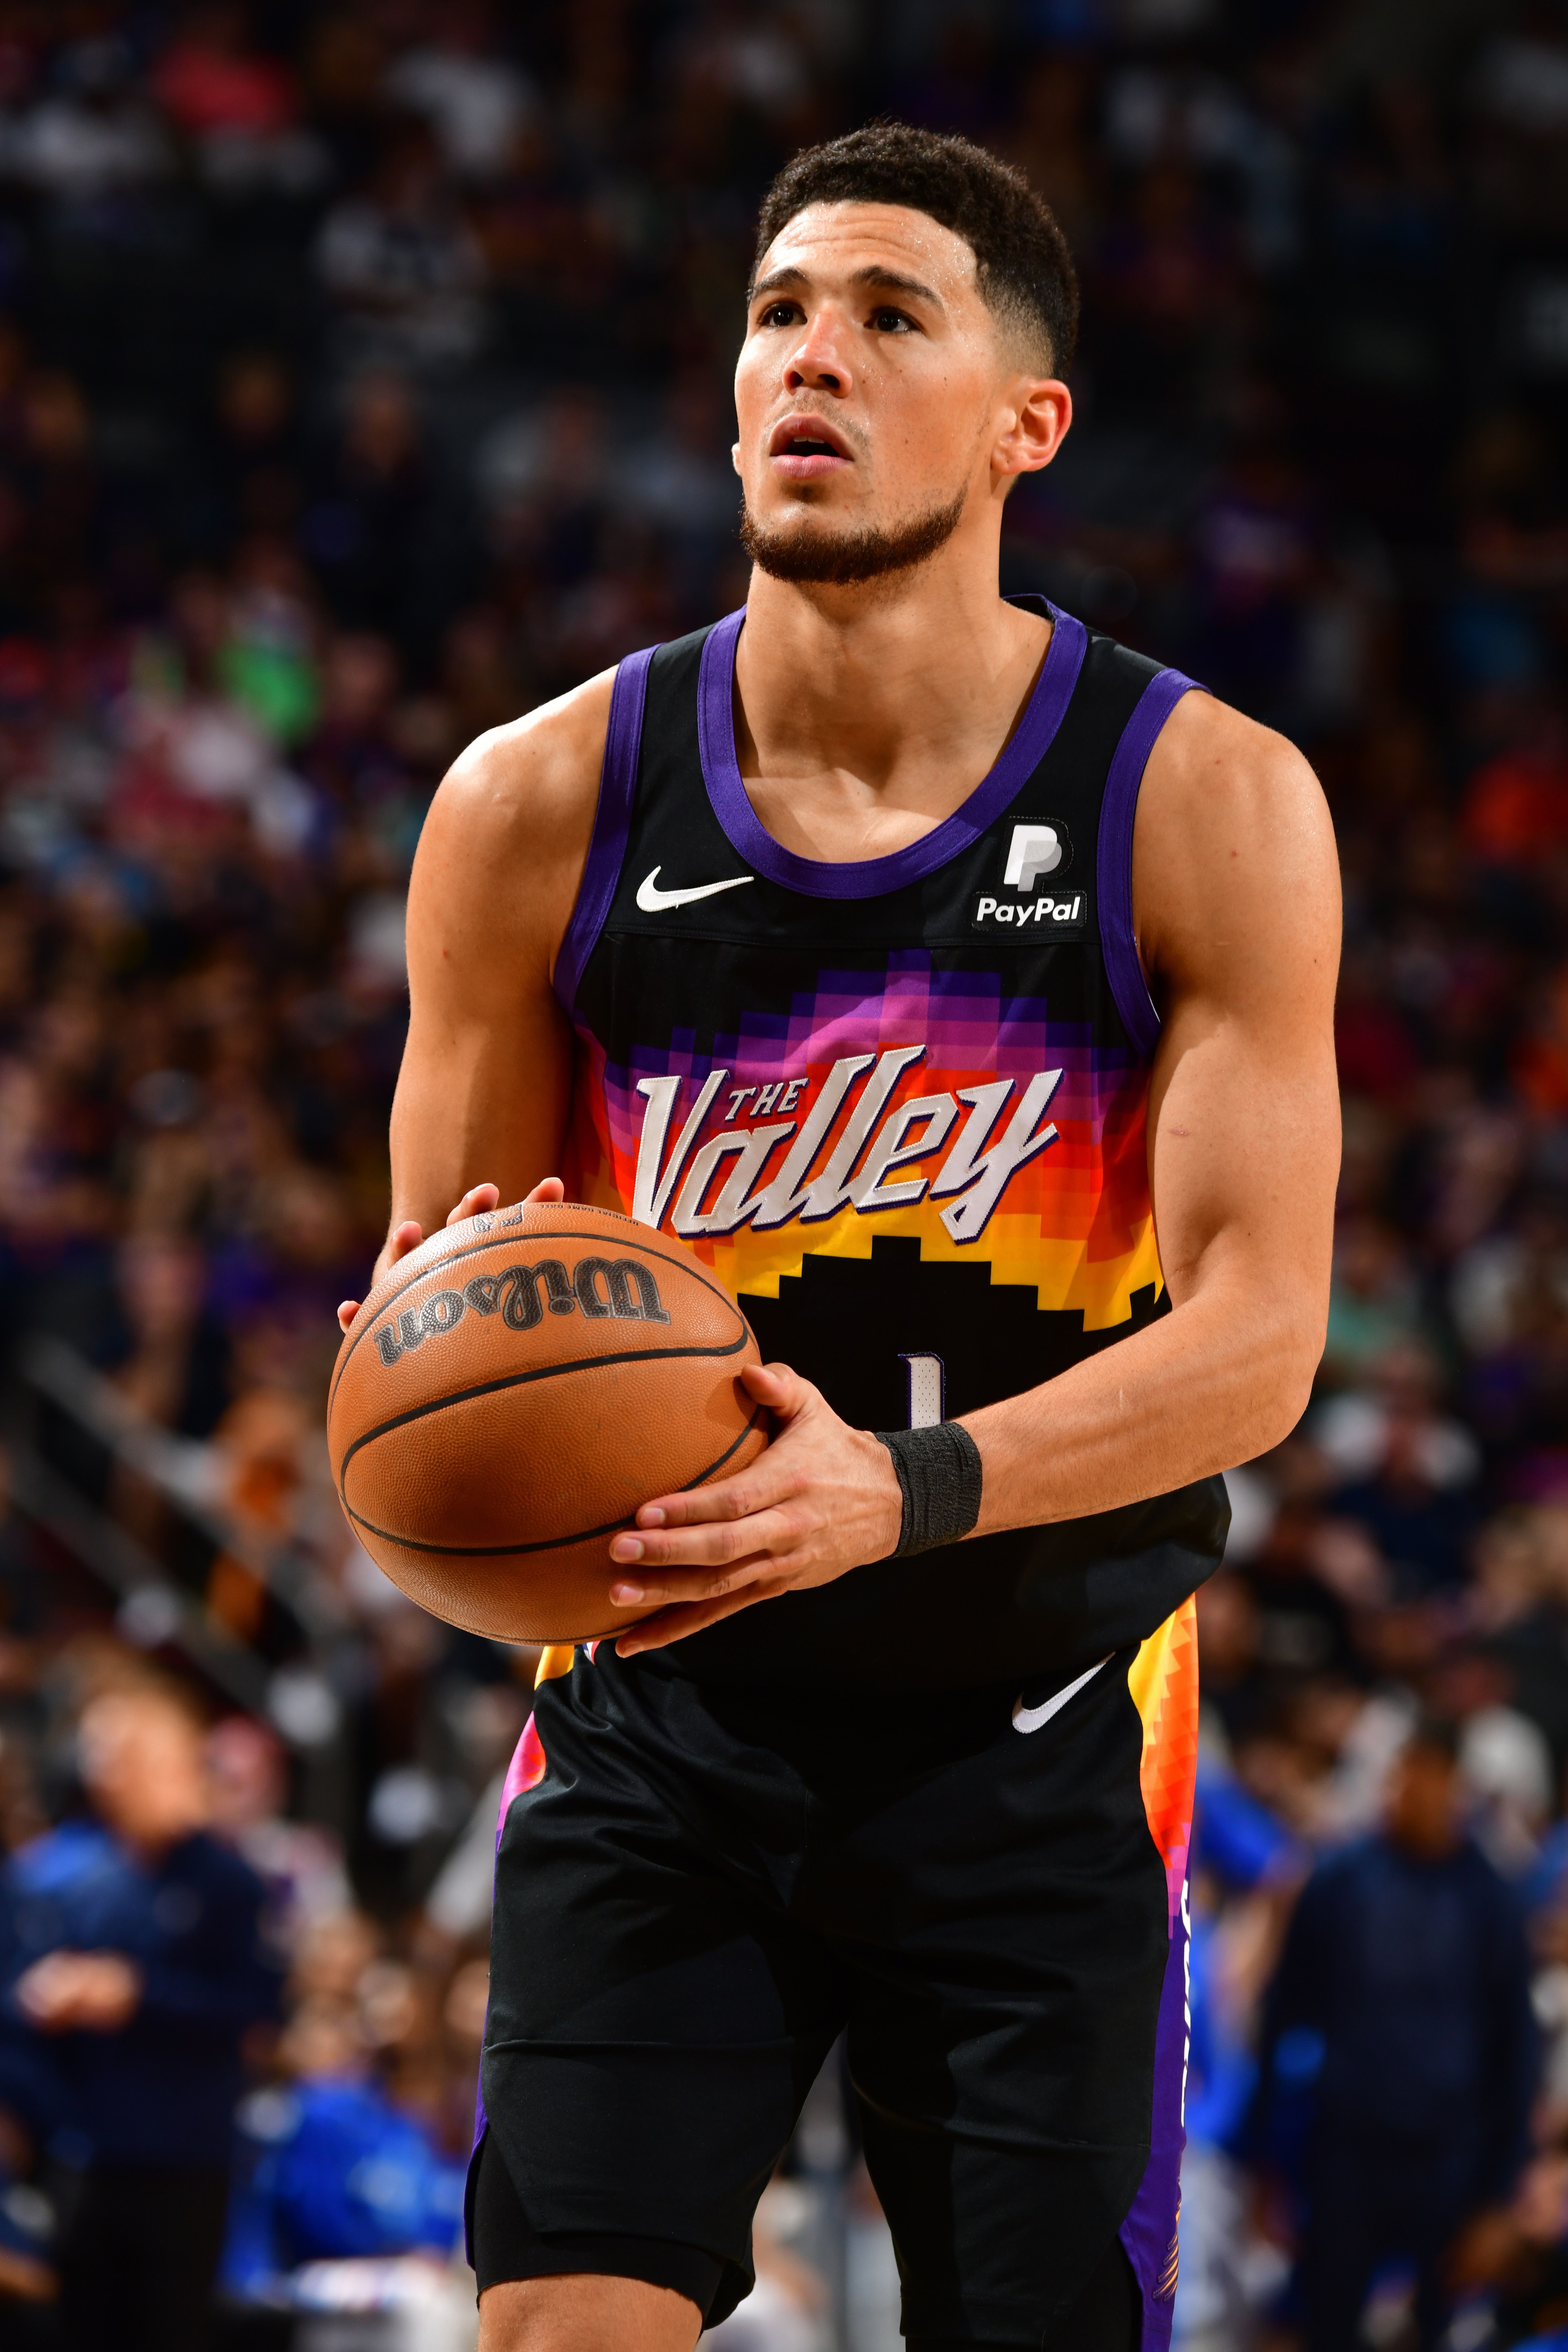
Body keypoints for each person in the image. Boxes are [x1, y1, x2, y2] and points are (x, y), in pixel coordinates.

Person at [337, 123, 1340, 2352]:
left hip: (1040, 1718)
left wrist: (894, 1488)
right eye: (779, 311)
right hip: (658, 1722)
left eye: (891, 316)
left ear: (1022, 425)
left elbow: (1262, 1335)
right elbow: (443, 1312)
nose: (813, 354)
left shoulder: (1199, 798)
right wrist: (424, 1355)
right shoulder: (532, 803)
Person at [3, 1682, 281, 2352]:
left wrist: (139, 1997)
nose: (112, 1772)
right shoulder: (51, 1876)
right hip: (79, 2160)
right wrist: (44, 1999)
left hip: (187, 2163)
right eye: (102, 1755)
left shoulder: (226, 1883)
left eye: (134, 1756)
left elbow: (256, 2010)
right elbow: (14, 2004)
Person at [1258, 1718, 1539, 2350]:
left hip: (1452, 2159)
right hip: (1346, 2151)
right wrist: (1262, 2160)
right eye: (1404, 1776)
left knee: (1434, 2333)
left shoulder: (1490, 1899)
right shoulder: (1340, 1882)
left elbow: (1516, 2051)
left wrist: (1500, 2195)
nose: (1414, 1793)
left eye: (1432, 1777)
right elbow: (1282, 2015)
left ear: (1457, 1785)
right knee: (1327, 2327)